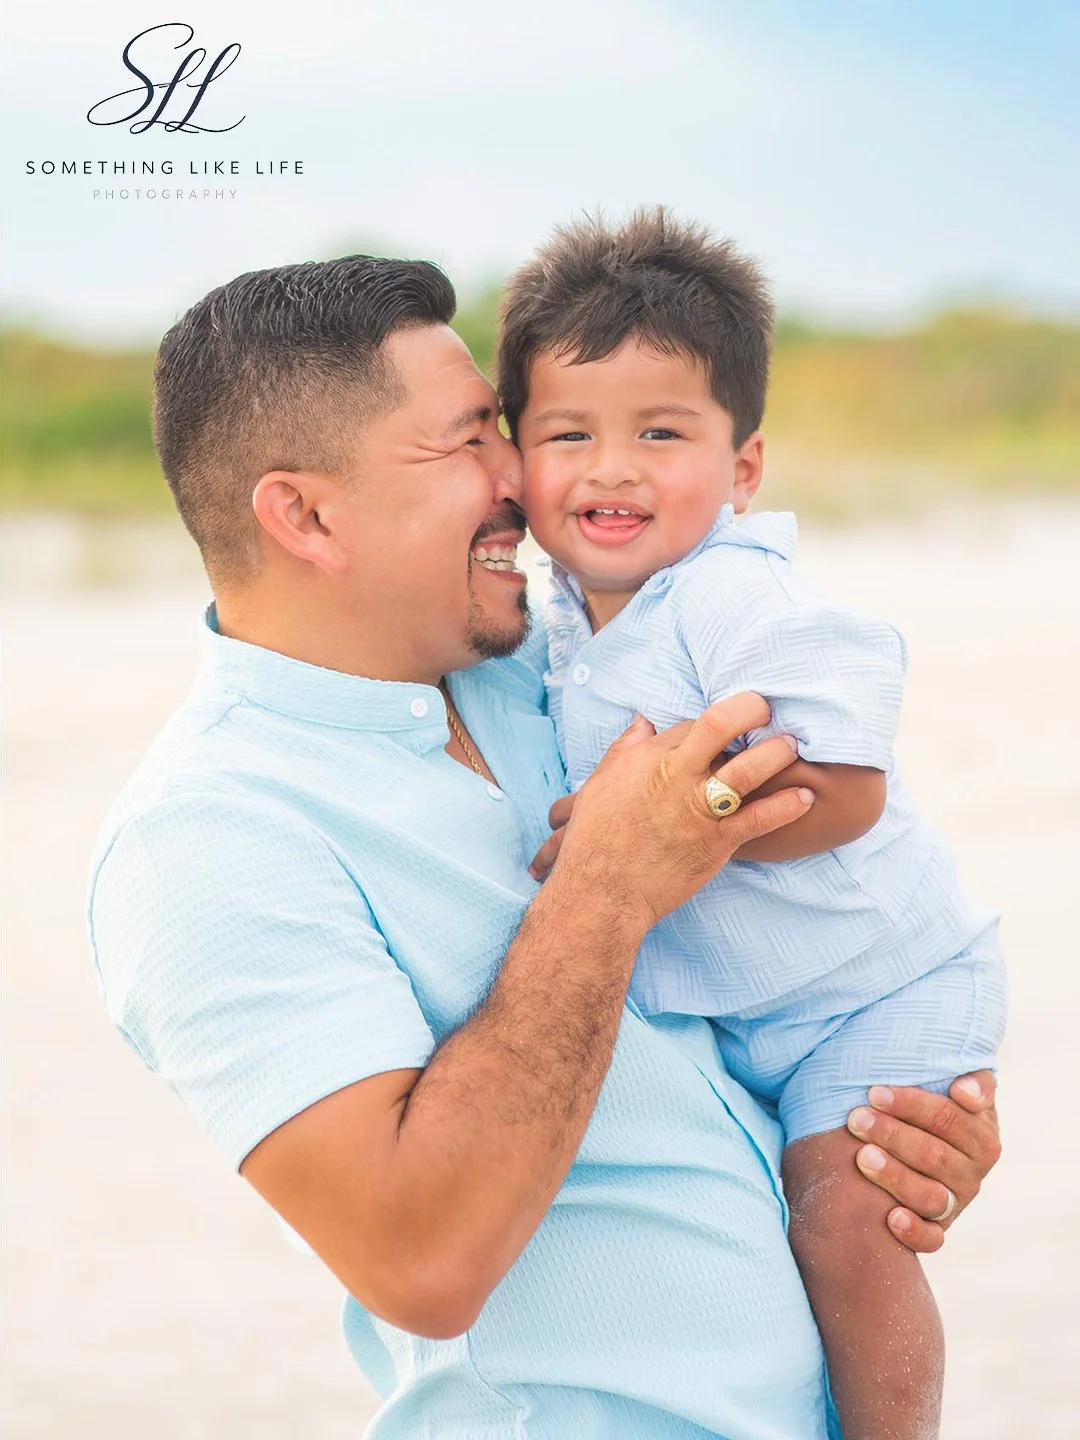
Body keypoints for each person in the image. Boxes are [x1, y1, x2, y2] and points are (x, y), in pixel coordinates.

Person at [87, 254, 1002, 1440]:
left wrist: (890, 1130)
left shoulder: (554, 671)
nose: (520, 480)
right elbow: (416, 1258)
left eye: (504, 433)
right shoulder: (208, 836)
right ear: (304, 513)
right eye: (468, 442)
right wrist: (606, 890)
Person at [501, 208, 1007, 1439]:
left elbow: (849, 781)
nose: (611, 468)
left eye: (660, 434)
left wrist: (680, 825)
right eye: (570, 434)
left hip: (876, 977)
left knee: (848, 1222)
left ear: (743, 469)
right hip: (744, 1002)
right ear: (516, 456)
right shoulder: (556, 615)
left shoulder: (733, 593)